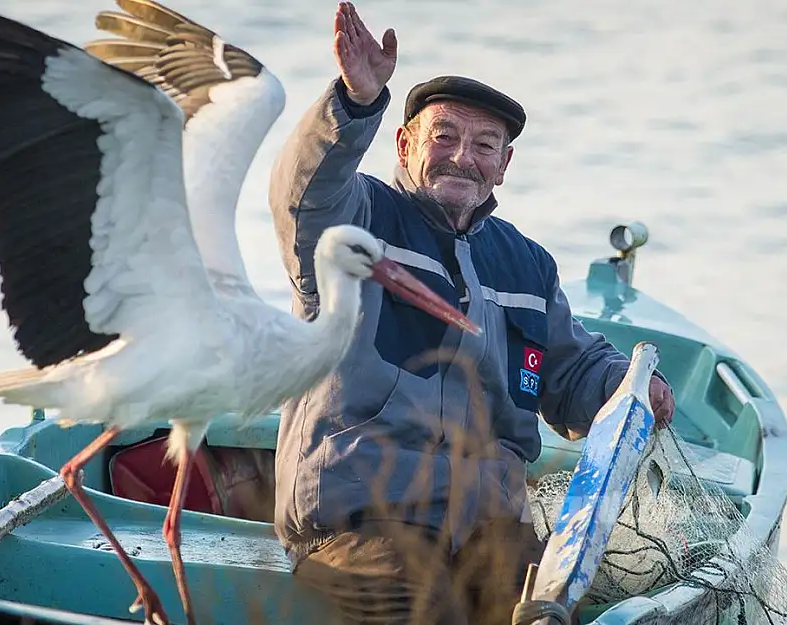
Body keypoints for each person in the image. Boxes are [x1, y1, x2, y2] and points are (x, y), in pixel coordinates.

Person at [267, 2, 676, 624]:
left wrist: (629, 387)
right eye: (445, 137)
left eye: (485, 145)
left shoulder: (527, 264)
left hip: (489, 528)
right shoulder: (354, 221)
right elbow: (303, 191)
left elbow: (567, 370)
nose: (464, 157)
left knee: (555, 614)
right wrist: (353, 103)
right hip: (360, 525)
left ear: (503, 166)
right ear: (404, 145)